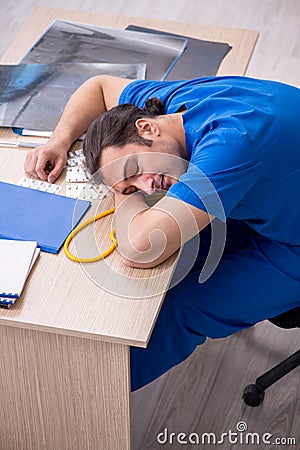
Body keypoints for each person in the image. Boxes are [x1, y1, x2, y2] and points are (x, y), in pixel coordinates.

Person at [25, 75, 300, 391]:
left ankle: (86, 398)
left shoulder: (231, 144)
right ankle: (67, 357)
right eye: (132, 186)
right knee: (174, 258)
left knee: (180, 307)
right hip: (279, 199)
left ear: (146, 128)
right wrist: (58, 142)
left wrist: (123, 192)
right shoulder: (171, 110)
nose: (147, 186)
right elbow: (98, 88)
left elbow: (141, 249)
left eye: (134, 171)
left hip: (293, 244)